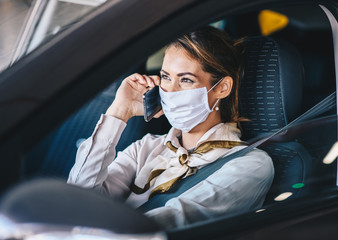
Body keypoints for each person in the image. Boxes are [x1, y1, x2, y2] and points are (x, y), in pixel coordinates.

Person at [67, 26, 274, 229]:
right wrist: (119, 112)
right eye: (166, 77)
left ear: (221, 88)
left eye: (185, 80)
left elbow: (160, 226)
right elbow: (77, 201)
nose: (171, 91)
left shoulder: (250, 165)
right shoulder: (146, 147)